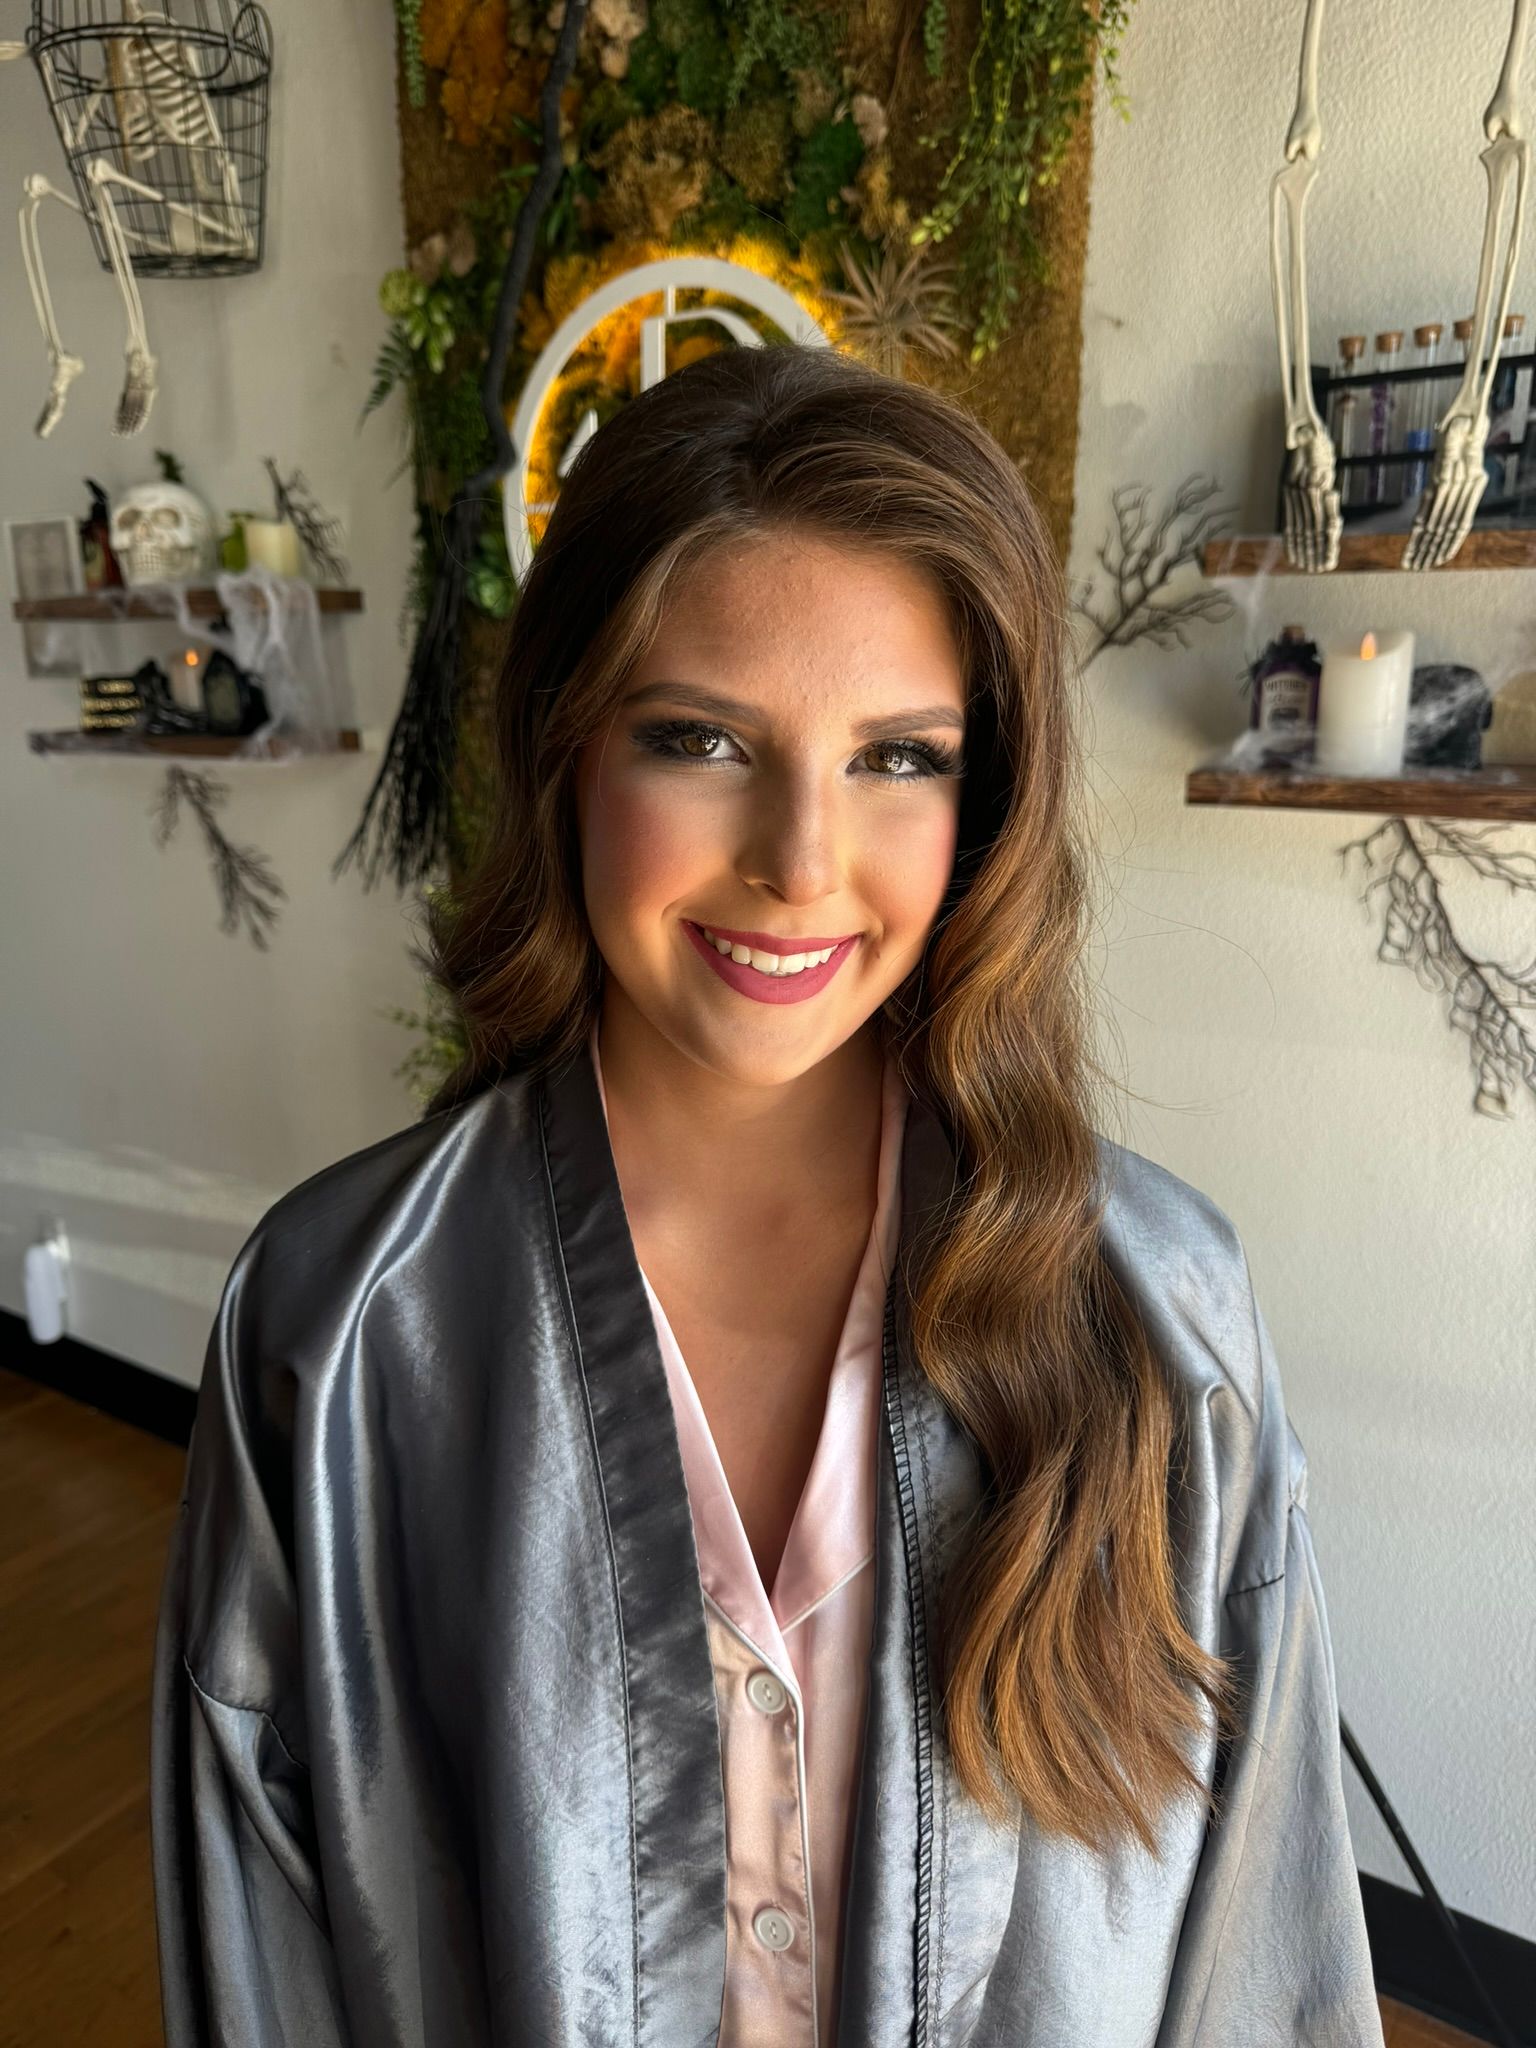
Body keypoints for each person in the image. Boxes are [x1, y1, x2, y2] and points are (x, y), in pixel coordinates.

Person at [149, 341, 1384, 2046]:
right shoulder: (345, 1328)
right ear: (569, 749)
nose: (802, 859)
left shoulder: (1160, 1312)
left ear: (990, 796)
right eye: (702, 738)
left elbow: (1259, 1952)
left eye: (898, 758)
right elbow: (263, 1953)